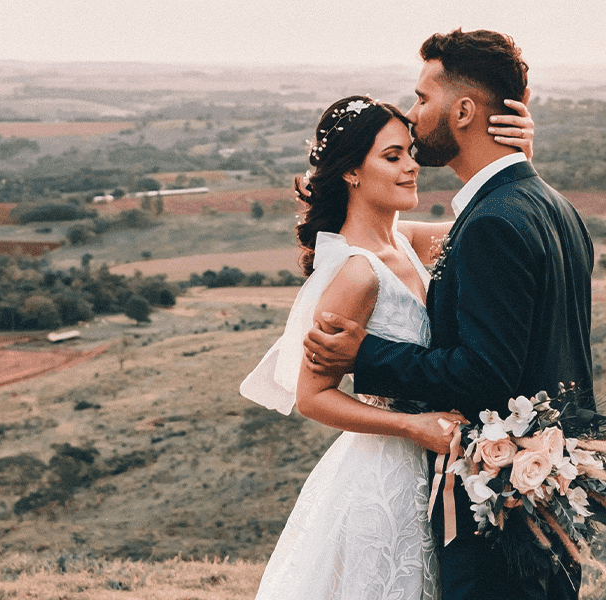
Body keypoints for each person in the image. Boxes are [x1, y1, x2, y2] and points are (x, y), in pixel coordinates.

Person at [305, 30, 596, 600]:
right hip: (544, 499)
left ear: (463, 110)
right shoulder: (555, 207)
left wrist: (365, 355)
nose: (414, 118)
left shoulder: (492, 223)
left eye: (421, 98)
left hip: (500, 516)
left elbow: (486, 374)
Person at [239, 93, 534, 599]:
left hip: (435, 469)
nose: (412, 167)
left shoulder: (408, 242)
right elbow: (313, 397)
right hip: (384, 475)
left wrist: (519, 158)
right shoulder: (355, 271)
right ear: (352, 172)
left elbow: (497, 223)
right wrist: (410, 425)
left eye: (411, 154)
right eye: (392, 157)